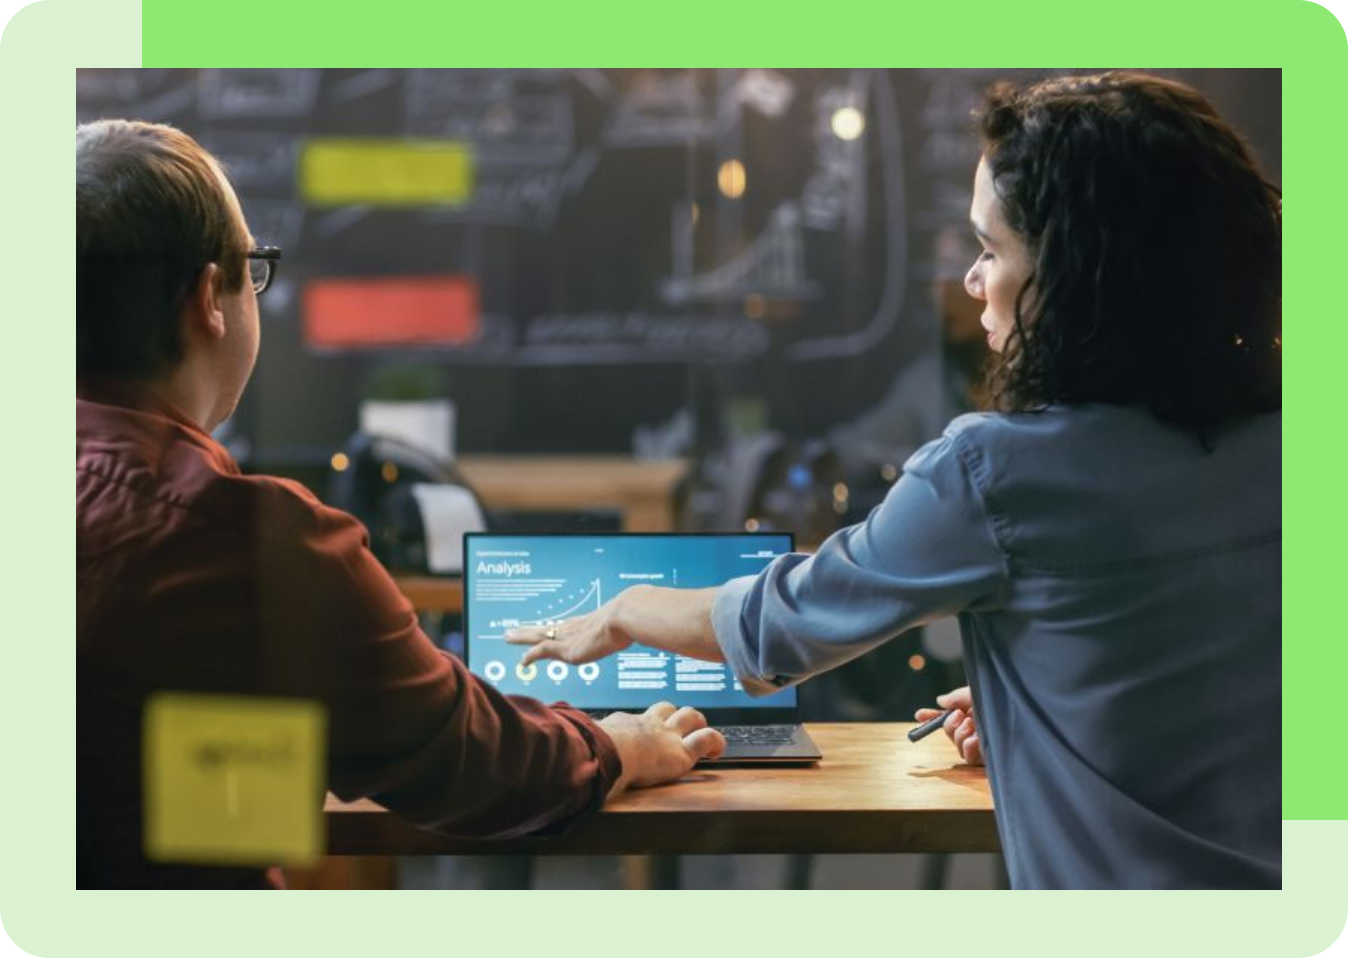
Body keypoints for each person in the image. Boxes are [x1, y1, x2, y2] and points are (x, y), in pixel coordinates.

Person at [507, 72, 1282, 889]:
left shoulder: (994, 473)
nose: (973, 282)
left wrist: (626, 608)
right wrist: (1053, 707)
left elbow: (780, 628)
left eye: (991, 250)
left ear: (1079, 274)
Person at [76, 119, 725, 889]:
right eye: (250, 267)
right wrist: (620, 745)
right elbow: (478, 763)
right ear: (204, 299)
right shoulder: (240, 542)